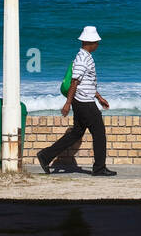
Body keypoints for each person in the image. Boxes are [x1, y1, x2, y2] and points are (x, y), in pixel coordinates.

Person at [37, 26, 116, 177]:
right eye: (96, 42)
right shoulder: (82, 59)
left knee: (76, 133)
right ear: (90, 42)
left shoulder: (85, 56)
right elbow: (75, 82)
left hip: (83, 101)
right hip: (84, 103)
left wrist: (99, 97)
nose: (98, 44)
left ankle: (45, 156)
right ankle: (99, 168)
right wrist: (67, 103)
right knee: (99, 133)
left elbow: (87, 82)